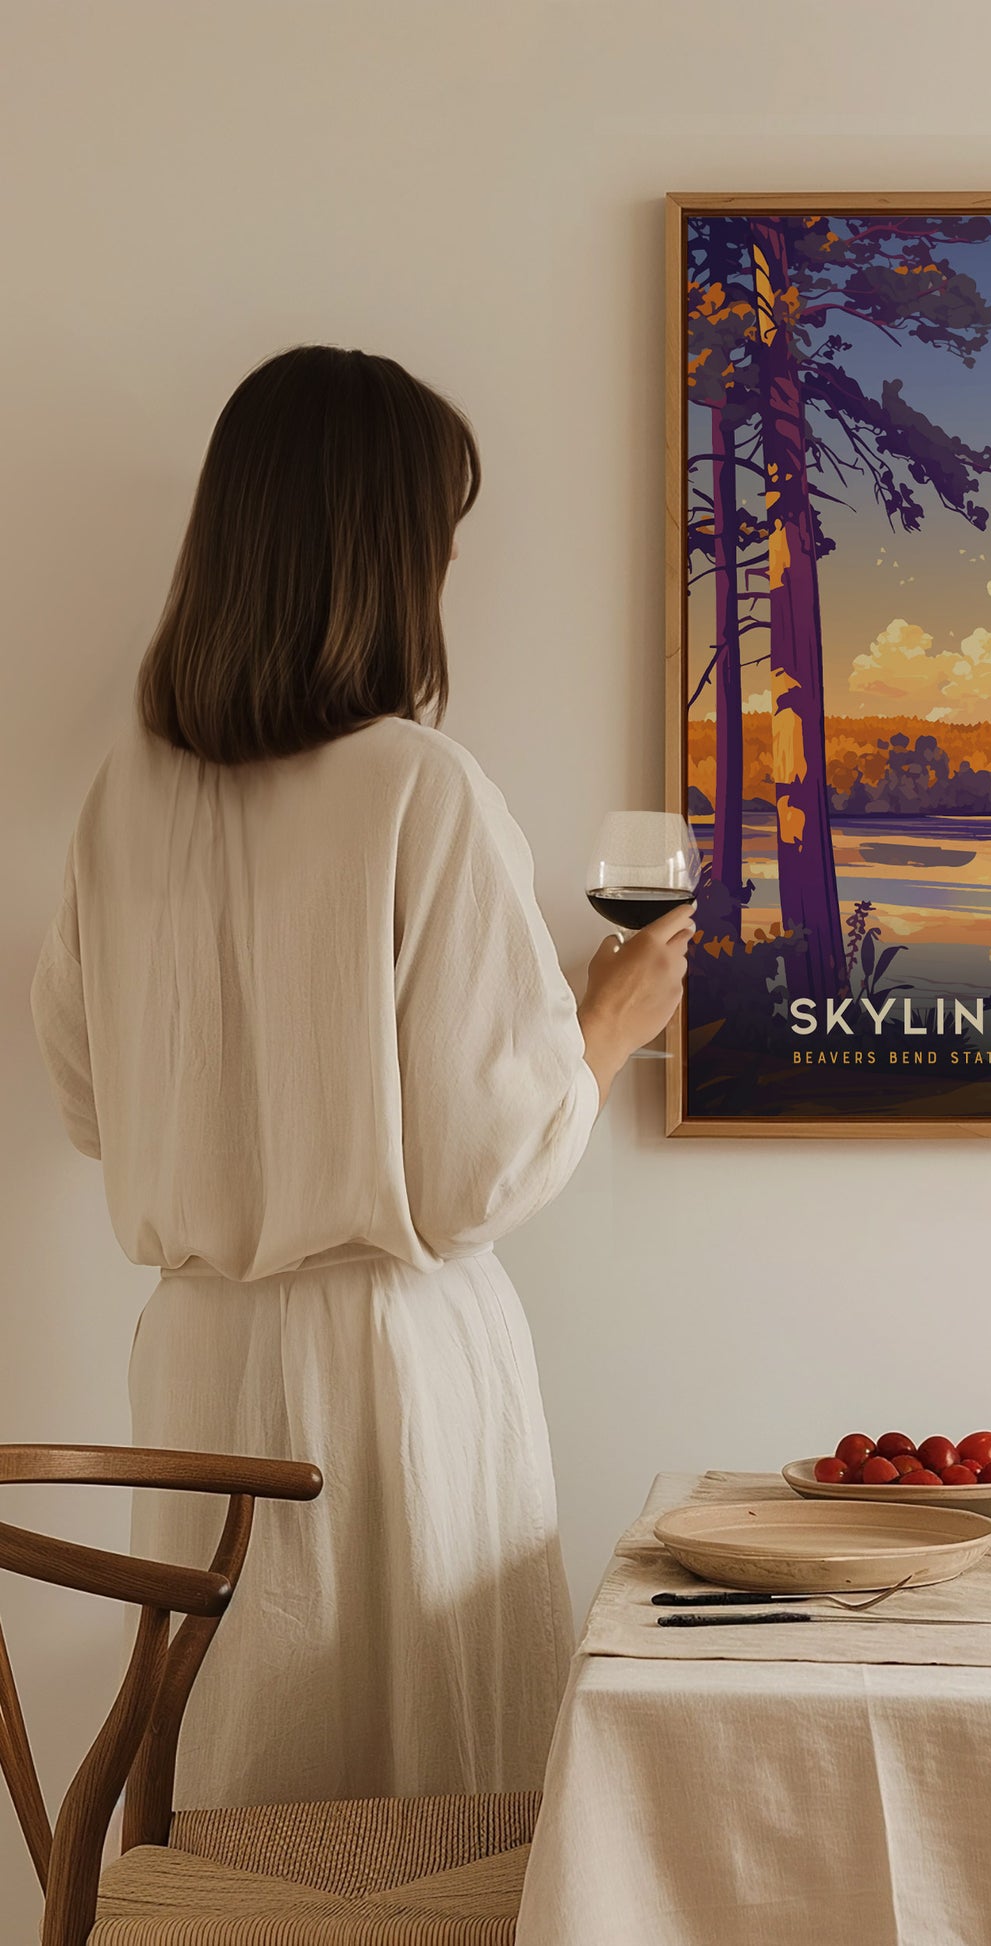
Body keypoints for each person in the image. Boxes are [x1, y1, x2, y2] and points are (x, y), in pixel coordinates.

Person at [29, 345, 691, 1806]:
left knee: (240, 1792)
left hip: (196, 1362)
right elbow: (473, 1173)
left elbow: (87, 1100)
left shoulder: (122, 797)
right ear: (387, 556)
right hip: (391, 1373)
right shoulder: (418, 786)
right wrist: (605, 1021)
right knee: (424, 1810)